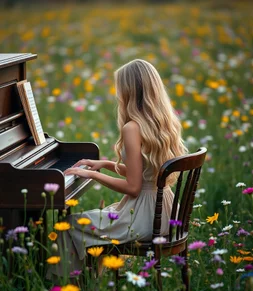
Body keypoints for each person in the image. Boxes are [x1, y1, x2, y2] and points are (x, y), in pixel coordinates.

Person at [47, 59, 187, 278]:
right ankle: (89, 283)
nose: (117, 94)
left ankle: (68, 289)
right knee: (94, 219)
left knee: (69, 224)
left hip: (144, 216)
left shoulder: (133, 128)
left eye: (119, 88)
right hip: (165, 211)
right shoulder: (163, 122)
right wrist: (106, 165)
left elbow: (133, 187)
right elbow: (145, 173)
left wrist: (92, 174)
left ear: (130, 91)